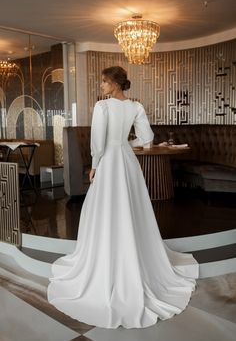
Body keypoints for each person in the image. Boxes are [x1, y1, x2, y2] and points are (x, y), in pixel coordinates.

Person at [47, 66, 199, 329]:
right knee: (130, 208)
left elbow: (97, 142)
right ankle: (131, 253)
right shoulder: (135, 107)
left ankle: (107, 253)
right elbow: (148, 138)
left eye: (104, 82)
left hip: (108, 162)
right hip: (128, 162)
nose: (101, 87)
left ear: (116, 84)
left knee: (106, 209)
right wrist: (127, 145)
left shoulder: (103, 107)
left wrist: (94, 164)